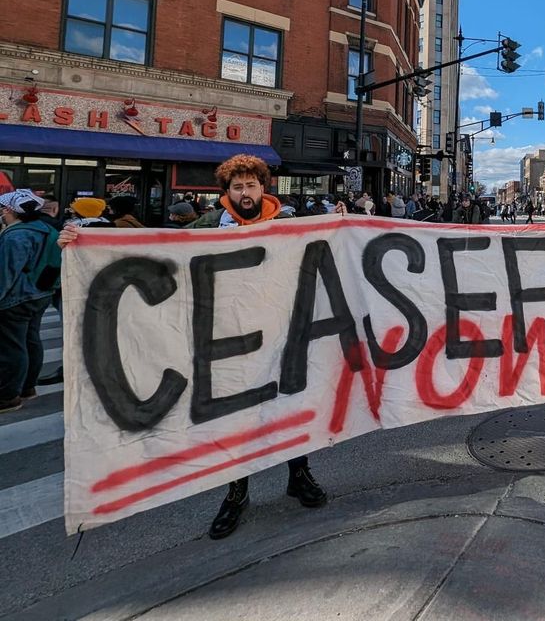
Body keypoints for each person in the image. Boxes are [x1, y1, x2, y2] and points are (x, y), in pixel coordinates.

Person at [63, 155, 342, 536]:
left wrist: (343, 225)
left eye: (251, 185)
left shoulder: (288, 223)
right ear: (227, 191)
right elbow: (161, 251)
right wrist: (84, 243)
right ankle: (236, 492)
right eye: (237, 187)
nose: (245, 193)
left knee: (288, 405)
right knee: (233, 417)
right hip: (223, 339)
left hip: (281, 333)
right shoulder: (209, 224)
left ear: (264, 187)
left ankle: (299, 473)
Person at [0, 190, 61, 413]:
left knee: (11, 348)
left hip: (16, 298)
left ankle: (7, 396)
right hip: (41, 294)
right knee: (30, 340)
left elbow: (6, 273)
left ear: (9, 210)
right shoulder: (47, 229)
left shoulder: (16, 236)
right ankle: (27, 387)